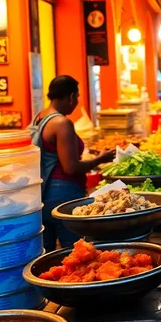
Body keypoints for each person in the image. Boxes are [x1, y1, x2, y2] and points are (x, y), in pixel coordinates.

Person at [30, 75, 114, 252]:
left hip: (42, 194)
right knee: (75, 251)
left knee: (47, 252)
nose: (76, 102)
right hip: (64, 194)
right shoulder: (62, 123)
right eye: (77, 97)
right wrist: (101, 158)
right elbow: (71, 167)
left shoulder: (39, 118)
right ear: (70, 96)